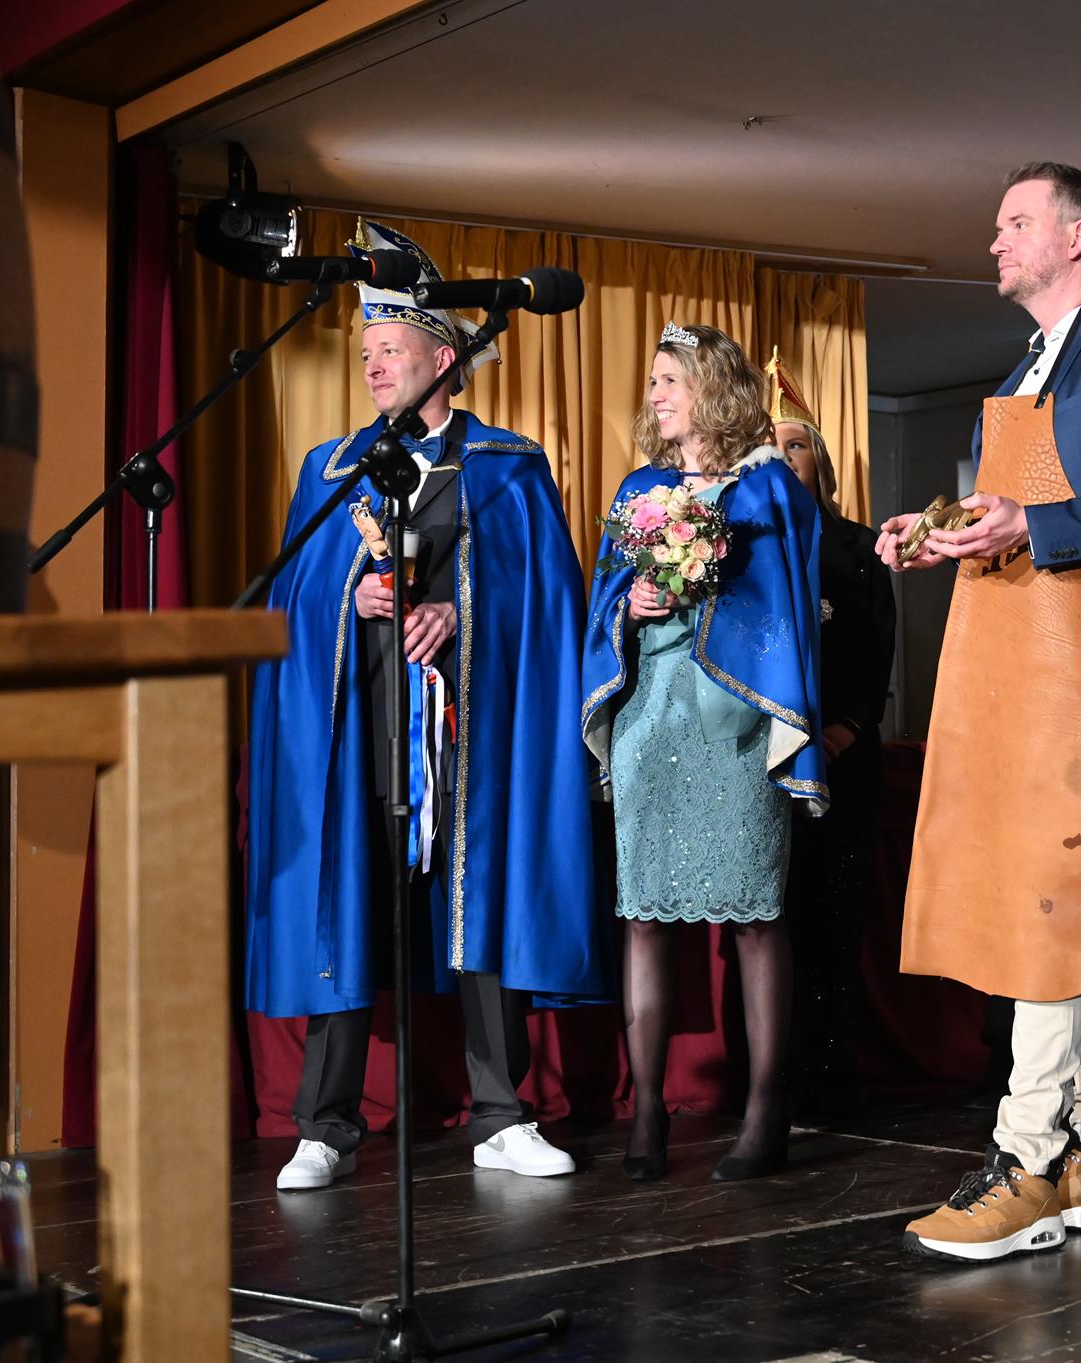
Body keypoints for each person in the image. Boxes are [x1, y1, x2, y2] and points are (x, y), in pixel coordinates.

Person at [882, 162, 1081, 1263]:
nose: (993, 241)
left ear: (1078, 237)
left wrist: (1031, 525)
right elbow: (1023, 511)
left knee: (1043, 896)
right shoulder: (1036, 357)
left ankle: (1024, 1159)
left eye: (1013, 222)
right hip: (1035, 660)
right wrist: (943, 530)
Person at [247, 221, 607, 1190]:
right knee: (348, 894)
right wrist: (348, 599)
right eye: (365, 352)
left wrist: (460, 611)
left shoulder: (508, 465)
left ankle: (501, 1113)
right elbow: (290, 601)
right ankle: (324, 1124)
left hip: (473, 729)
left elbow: (550, 601)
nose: (372, 366)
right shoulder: (331, 469)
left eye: (390, 350)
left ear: (443, 358)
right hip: (361, 721)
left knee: (479, 889)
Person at [583, 323, 827, 1181]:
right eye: (652, 381)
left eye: (669, 380)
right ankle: (648, 1108)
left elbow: (790, 604)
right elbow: (603, 594)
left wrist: (715, 574)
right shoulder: (639, 488)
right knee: (644, 915)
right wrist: (632, 601)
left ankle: (765, 1109)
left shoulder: (769, 488)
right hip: (652, 718)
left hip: (737, 725)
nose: (654, 395)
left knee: (756, 917)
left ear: (712, 388)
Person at [764, 349, 897, 1112]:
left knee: (835, 919)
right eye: (771, 446)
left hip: (841, 762)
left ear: (820, 461)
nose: (784, 457)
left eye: (797, 444)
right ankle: (769, 1078)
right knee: (769, 923)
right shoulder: (743, 551)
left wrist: (841, 733)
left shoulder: (858, 548)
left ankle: (830, 1074)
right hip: (766, 769)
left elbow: (876, 657)